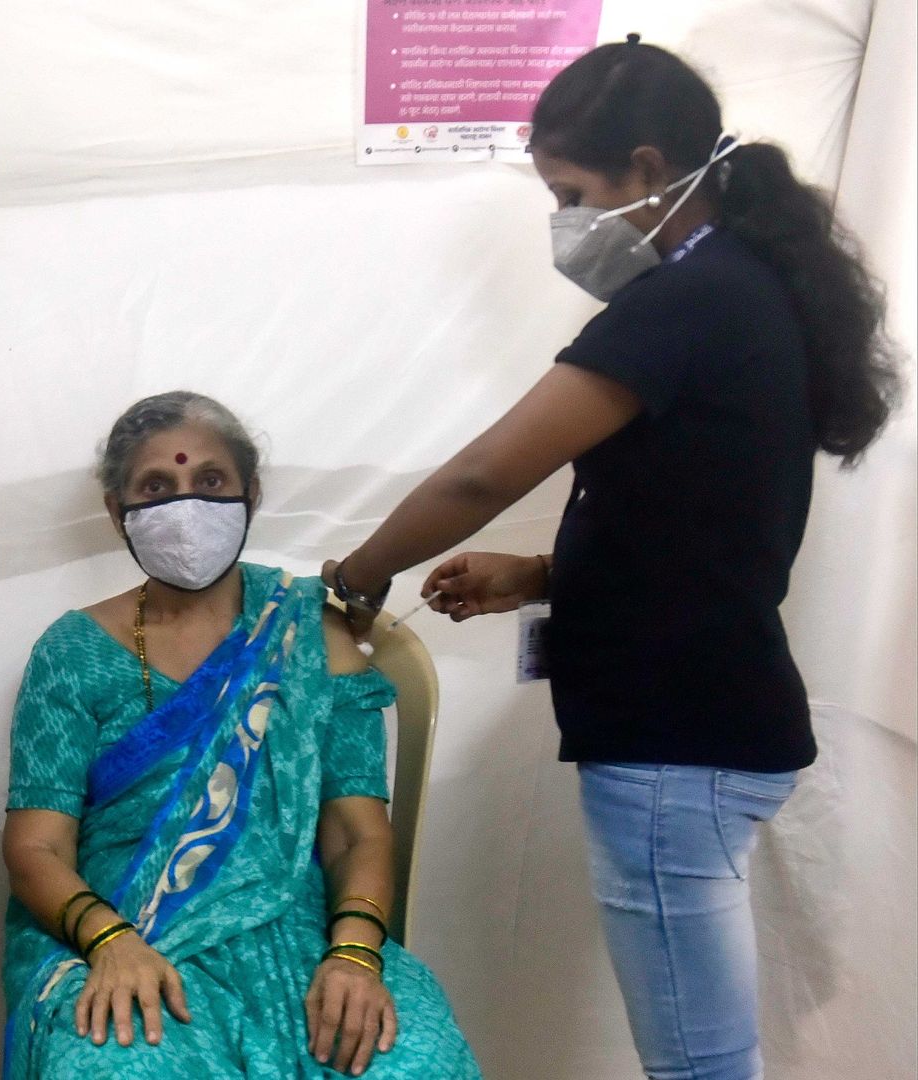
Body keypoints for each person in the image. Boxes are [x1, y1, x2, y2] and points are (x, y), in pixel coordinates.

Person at [322, 38, 901, 1080]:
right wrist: (540, 575)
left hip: (680, 742)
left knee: (700, 1066)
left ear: (646, 167)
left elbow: (483, 473)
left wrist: (355, 579)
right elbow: (706, 521)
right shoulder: (738, 288)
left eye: (571, 195)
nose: (565, 223)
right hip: (709, 721)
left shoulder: (690, 300)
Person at [2, 392, 480, 1079]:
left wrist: (353, 955)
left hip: (301, 932)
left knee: (416, 1062)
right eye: (156, 486)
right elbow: (36, 846)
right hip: (126, 929)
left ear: (251, 493)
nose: (185, 504)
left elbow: (357, 834)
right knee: (113, 1067)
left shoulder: (308, 630)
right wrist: (110, 942)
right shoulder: (73, 651)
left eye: (210, 480)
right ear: (116, 509)